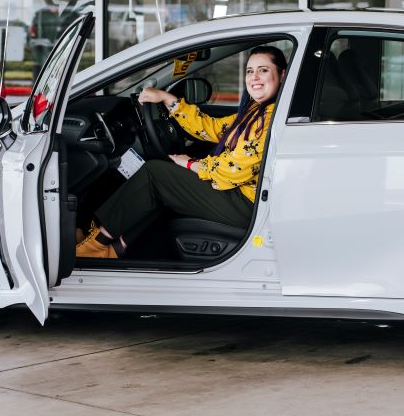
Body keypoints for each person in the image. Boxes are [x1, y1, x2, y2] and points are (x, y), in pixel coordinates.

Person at [76, 45, 287, 259]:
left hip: (247, 204)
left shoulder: (269, 119)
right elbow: (211, 127)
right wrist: (168, 99)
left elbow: (230, 171)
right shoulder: (255, 112)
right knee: (166, 186)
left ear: (281, 75)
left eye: (263, 70)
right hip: (241, 196)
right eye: (250, 71)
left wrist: (189, 163)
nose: (254, 77)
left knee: (155, 174)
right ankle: (112, 248)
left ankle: (96, 245)